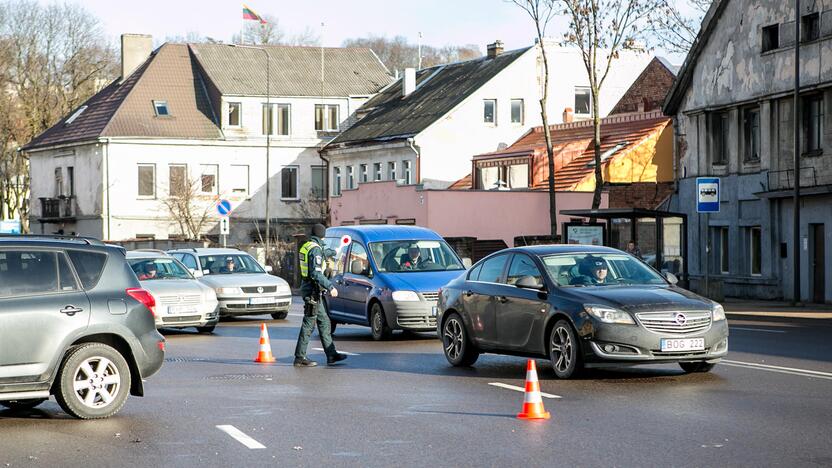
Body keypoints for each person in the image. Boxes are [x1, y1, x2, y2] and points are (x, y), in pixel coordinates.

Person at [293, 224, 347, 367]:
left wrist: (333, 252)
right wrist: (330, 287)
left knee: (324, 322)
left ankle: (331, 355)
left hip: (313, 290)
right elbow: (315, 273)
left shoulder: (308, 245)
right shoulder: (315, 249)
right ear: (322, 235)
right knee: (309, 324)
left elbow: (322, 252)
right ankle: (300, 357)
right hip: (312, 291)